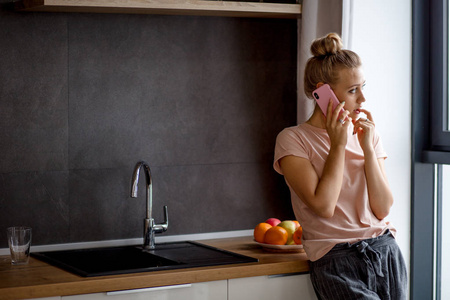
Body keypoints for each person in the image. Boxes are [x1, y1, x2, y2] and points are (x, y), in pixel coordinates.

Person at [273, 33, 407, 300]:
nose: (363, 100)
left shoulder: (369, 135)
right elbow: (323, 206)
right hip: (336, 260)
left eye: (363, 86)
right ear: (323, 92)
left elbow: (382, 208)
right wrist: (338, 145)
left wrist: (368, 148)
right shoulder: (293, 139)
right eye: (353, 90)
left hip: (384, 250)